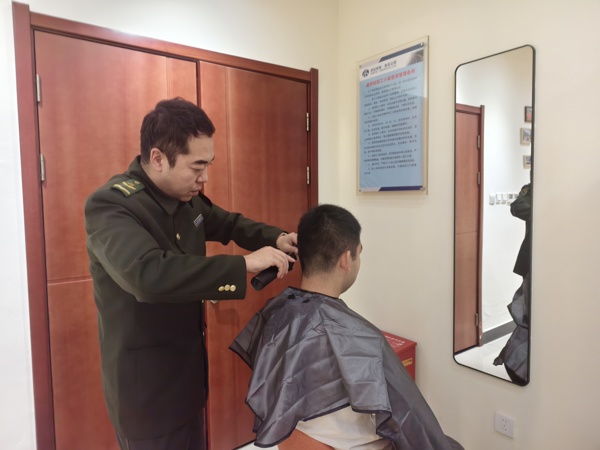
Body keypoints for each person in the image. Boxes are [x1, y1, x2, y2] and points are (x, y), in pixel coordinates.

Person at [84, 97, 297, 450]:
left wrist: (276, 237)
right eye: (197, 166)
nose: (205, 177)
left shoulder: (187, 198)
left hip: (187, 381)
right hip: (146, 393)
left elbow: (229, 224)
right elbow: (148, 275)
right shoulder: (112, 205)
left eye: (209, 164)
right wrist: (243, 265)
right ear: (158, 159)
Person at [231, 205, 463, 450]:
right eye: (358, 254)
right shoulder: (363, 341)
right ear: (345, 259)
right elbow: (412, 424)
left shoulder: (277, 312)